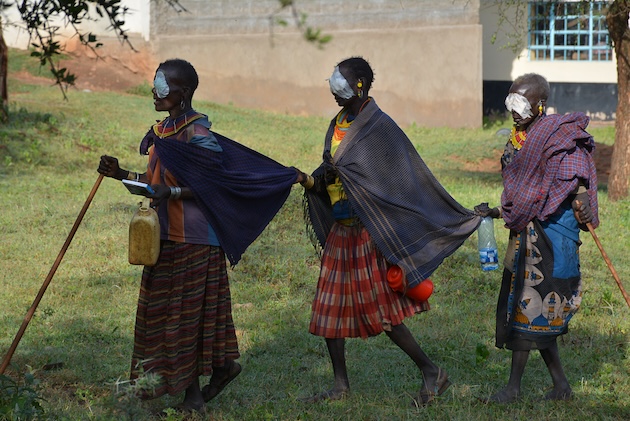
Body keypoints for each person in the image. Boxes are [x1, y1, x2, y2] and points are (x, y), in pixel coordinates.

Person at [98, 58, 303, 414]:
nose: (155, 93)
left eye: (163, 88)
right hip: (163, 239)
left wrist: (172, 195)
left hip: (194, 241)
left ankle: (196, 396)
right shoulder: (162, 132)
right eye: (155, 86)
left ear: (184, 92)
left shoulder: (198, 134)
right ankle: (213, 375)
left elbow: (213, 184)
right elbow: (155, 186)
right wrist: (120, 175)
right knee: (168, 317)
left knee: (184, 319)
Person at [300, 56, 480, 406]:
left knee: (382, 312)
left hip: (369, 233)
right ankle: (340, 384)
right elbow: (331, 172)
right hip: (341, 231)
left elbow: (395, 181)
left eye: (341, 84)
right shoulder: (338, 123)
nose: (334, 90)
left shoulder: (378, 127)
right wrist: (306, 179)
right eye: (333, 82)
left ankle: (432, 371)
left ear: (360, 86)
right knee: (327, 308)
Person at [475, 73, 598, 403]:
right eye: (510, 102)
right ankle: (561, 386)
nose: (513, 110)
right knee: (535, 315)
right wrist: (497, 212)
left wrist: (583, 204)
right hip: (524, 238)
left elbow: (578, 177)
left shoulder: (560, 138)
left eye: (521, 103)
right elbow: (522, 196)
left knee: (530, 314)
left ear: (540, 105)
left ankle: (513, 388)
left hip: (550, 241)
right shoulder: (516, 140)